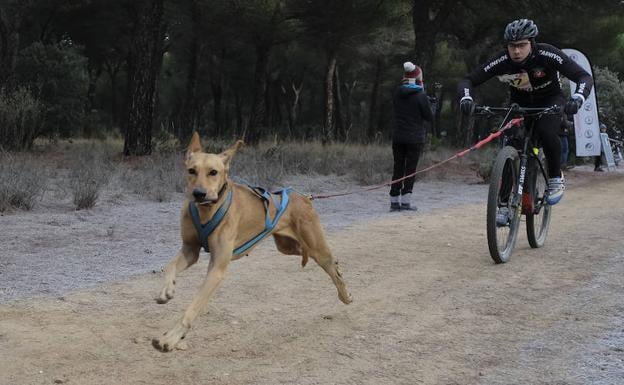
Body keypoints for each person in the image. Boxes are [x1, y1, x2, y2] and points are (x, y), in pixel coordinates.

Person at [458, 18, 593, 205]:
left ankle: (555, 177)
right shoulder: (503, 60)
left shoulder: (547, 54)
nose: (516, 51)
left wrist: (578, 98)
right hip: (519, 104)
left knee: (547, 132)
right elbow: (468, 80)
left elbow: (583, 76)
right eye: (512, 46)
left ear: (532, 43)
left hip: (550, 101)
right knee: (511, 144)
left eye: (521, 45)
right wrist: (466, 98)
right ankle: (503, 203)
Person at [389, 61, 433, 211]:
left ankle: (394, 201)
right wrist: (431, 104)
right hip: (414, 139)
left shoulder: (397, 93)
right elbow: (429, 117)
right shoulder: (421, 96)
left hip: (398, 137)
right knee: (410, 170)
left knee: (398, 168)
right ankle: (406, 202)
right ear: (418, 78)